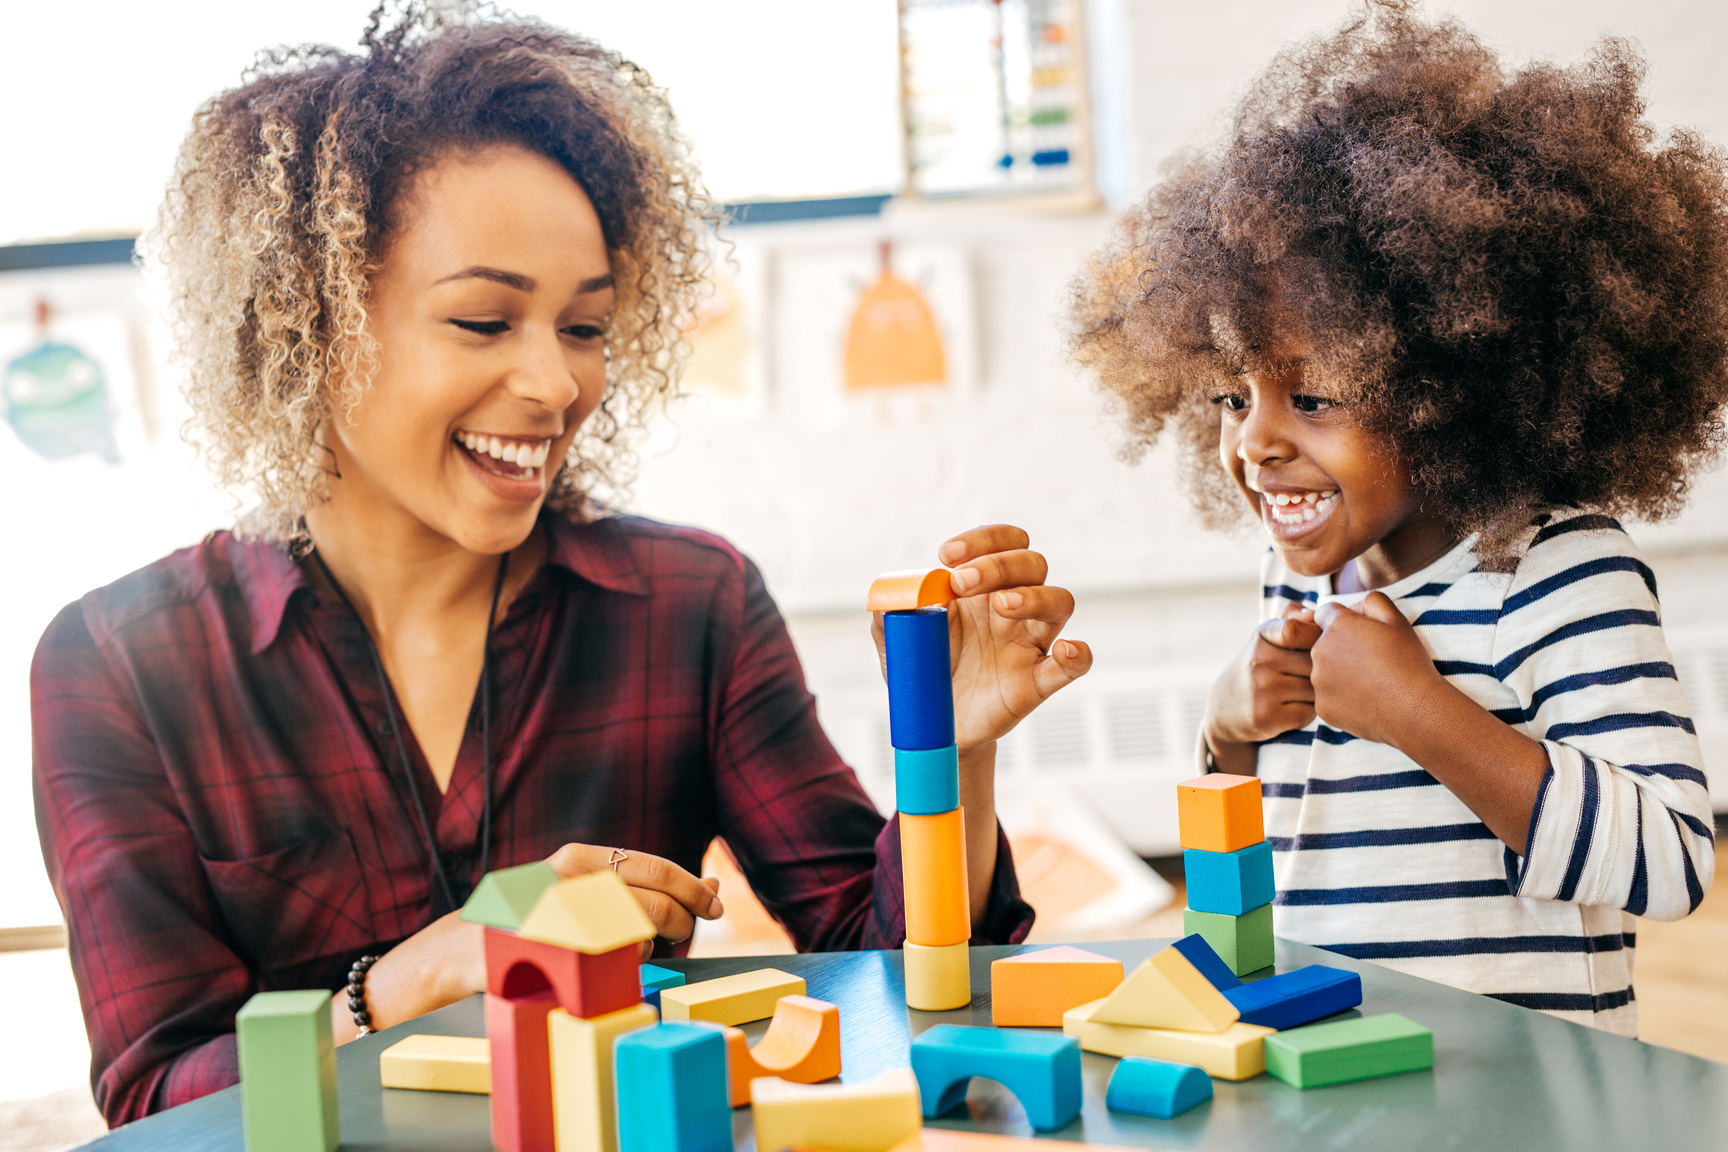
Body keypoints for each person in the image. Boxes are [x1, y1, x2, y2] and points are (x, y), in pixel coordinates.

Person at [31, 6, 1093, 1126]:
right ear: (308, 323)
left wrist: (953, 756)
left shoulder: (692, 607)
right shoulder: (118, 666)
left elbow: (887, 968)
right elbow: (157, 1097)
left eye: (583, 328)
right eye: (486, 321)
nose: (555, 386)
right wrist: (423, 973)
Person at [1069, 1, 1721, 1034]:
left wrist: (1421, 713)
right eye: (1234, 397)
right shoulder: (1302, 578)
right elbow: (1269, 877)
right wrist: (1227, 733)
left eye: (1312, 397)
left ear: (1453, 389)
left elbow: (1673, 864)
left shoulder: (1559, 573)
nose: (1255, 443)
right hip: (1334, 1084)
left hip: (1531, 1109)